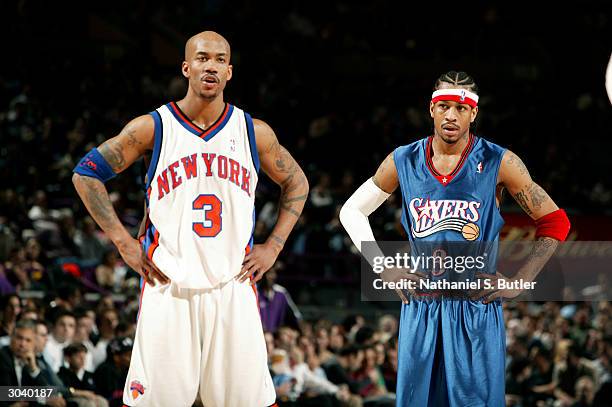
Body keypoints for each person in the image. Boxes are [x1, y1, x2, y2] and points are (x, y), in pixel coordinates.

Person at [72, 30, 308, 407]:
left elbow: (296, 181)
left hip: (233, 286)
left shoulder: (253, 132)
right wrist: (122, 242)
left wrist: (274, 245)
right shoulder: (153, 127)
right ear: (186, 67)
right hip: (169, 287)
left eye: (219, 59)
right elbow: (85, 174)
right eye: (202, 58)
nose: (210, 65)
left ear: (229, 71)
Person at [340, 71, 571, 406]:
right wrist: (384, 268)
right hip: (421, 306)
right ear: (431, 110)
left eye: (460, 108)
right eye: (444, 106)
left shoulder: (499, 161)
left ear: (473, 113)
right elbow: (351, 212)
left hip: (475, 308)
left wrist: (521, 281)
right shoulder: (404, 160)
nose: (451, 115)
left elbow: (555, 222)